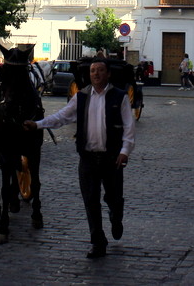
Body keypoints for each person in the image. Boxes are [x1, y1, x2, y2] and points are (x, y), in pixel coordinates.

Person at [25, 58, 135, 259]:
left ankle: (116, 216)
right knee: (90, 201)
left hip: (112, 159)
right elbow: (61, 117)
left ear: (108, 74)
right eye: (93, 71)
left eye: (100, 70)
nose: (96, 74)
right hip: (88, 159)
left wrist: (124, 151)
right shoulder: (81, 97)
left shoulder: (119, 97)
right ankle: (97, 241)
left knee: (114, 198)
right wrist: (38, 124)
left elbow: (129, 127)